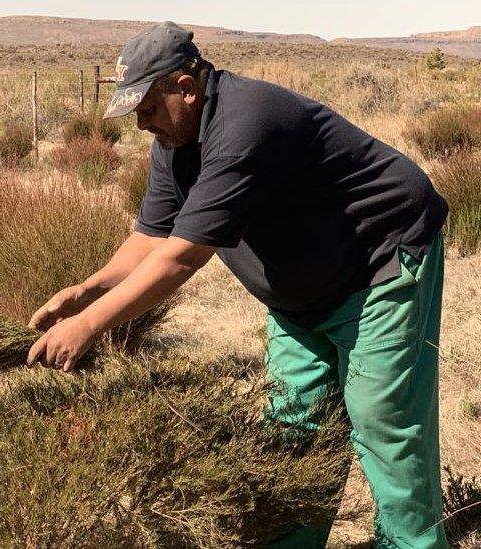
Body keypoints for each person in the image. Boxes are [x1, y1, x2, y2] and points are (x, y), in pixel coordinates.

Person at [25, 21, 450, 549]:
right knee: (293, 435)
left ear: (186, 86)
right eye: (135, 112)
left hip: (380, 263)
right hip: (300, 296)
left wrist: (90, 325)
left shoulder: (247, 123)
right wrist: (83, 293)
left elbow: (184, 258)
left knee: (384, 430)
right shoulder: (174, 141)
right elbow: (151, 239)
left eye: (149, 108)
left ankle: (414, 543)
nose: (142, 124)